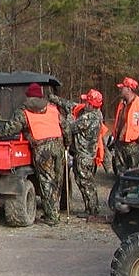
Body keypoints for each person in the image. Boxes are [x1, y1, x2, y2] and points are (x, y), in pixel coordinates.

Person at [0, 82, 68, 226]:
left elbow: (10, 128)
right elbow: (66, 127)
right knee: (57, 181)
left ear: (28, 96)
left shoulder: (24, 111)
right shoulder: (52, 109)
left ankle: (52, 216)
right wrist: (67, 143)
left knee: (46, 181)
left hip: (42, 148)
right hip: (58, 146)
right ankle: (54, 212)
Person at [50, 88, 104, 216]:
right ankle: (92, 208)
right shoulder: (92, 113)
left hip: (84, 155)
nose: (84, 104)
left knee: (85, 182)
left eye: (87, 102)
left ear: (91, 104)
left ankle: (92, 210)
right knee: (85, 181)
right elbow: (70, 105)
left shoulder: (89, 118)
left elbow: (70, 128)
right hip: (84, 154)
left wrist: (68, 117)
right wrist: (54, 99)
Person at [112, 77, 139, 175]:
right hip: (120, 144)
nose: (120, 90)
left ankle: (134, 189)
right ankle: (124, 190)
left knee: (135, 173)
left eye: (123, 88)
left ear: (129, 89)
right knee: (121, 173)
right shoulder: (122, 104)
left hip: (133, 145)